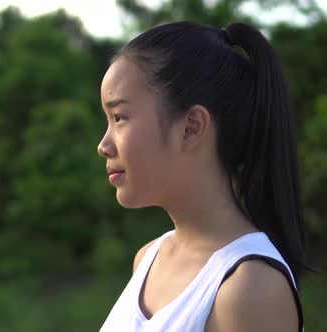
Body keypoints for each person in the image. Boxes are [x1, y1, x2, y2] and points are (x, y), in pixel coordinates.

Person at [97, 21, 305, 331]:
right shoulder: (148, 258)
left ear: (191, 127)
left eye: (120, 117)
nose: (103, 145)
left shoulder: (250, 289)